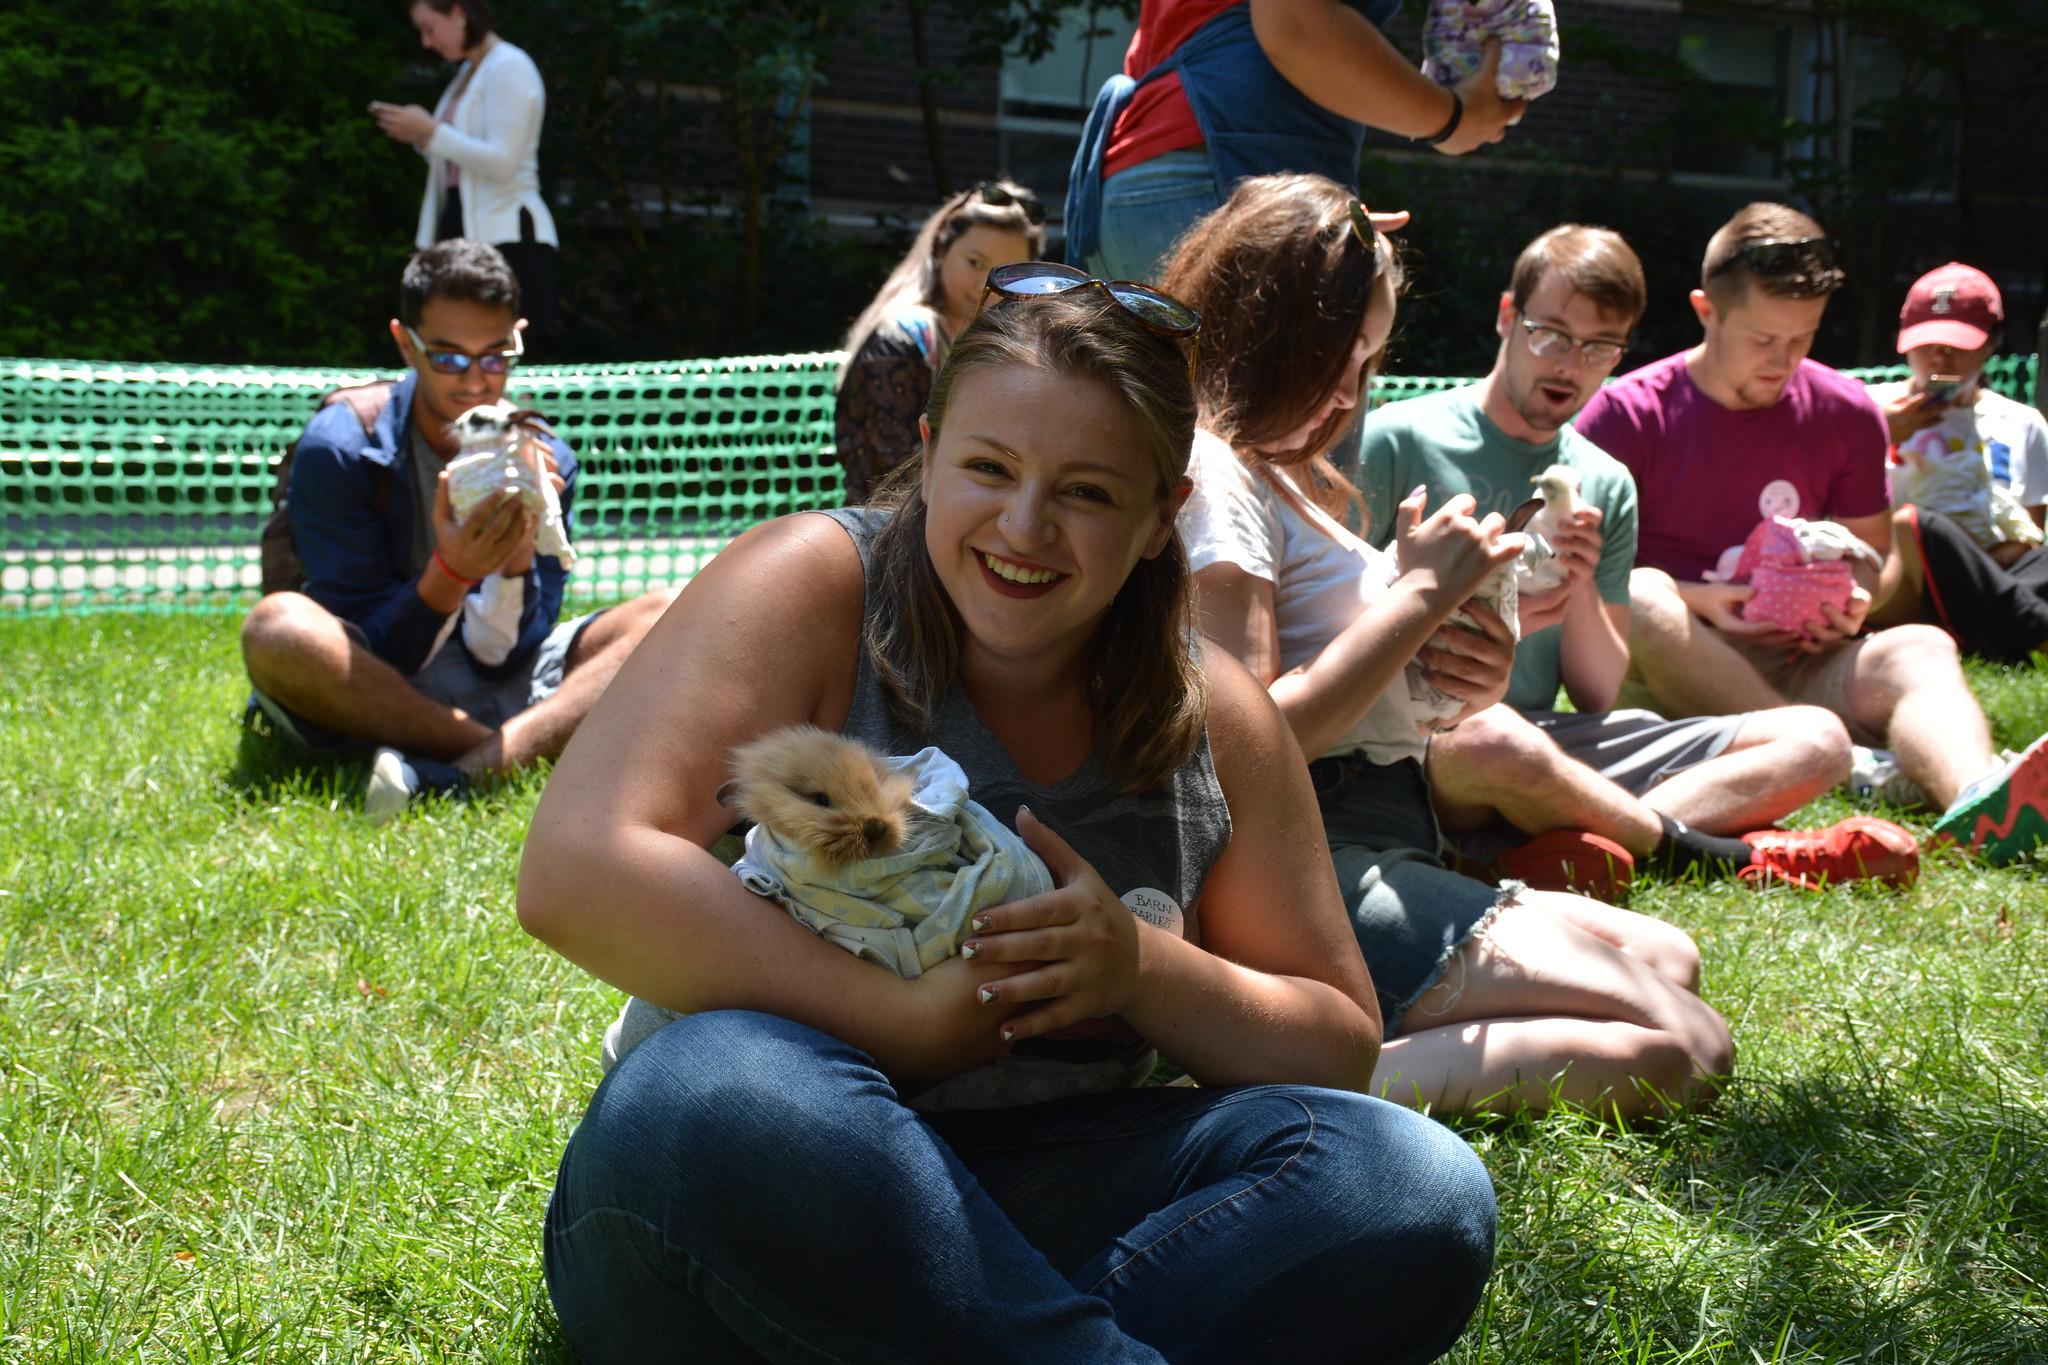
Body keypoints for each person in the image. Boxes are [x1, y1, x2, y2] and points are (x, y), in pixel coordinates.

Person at [519, 271, 1497, 1359]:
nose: (1023, 528)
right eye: (988, 468)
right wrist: (898, 1022)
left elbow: (1334, 1048)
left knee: (1407, 1184)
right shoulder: (811, 584)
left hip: (1042, 1186)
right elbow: (576, 871)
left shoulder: (1215, 714)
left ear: (1158, 513)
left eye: (1084, 492)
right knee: (715, 1088)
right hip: (758, 1180)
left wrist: (1138, 969)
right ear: (929, 454)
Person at [1162, 173, 1734, 1119]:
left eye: (1369, 361)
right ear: (1258, 330)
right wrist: (1422, 595)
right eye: (1334, 356)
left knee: (1673, 955)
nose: (1347, 394)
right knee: (1685, 1046)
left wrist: (1464, 669)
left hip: (1386, 831)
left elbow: (1367, 689)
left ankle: (1312, 1027)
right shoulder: (1214, 474)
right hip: (1308, 870)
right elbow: (1245, 747)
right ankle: (1275, 1072)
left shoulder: (1279, 469)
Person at [1359, 223, 1918, 892]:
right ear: (1508, 317)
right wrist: (1493, 615)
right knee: (1491, 738)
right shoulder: (1397, 437)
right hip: (1422, 736)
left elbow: (1595, 691)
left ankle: (1560, 843)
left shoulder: (1602, 478)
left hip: (1546, 735)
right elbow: (1328, 624)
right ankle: (1710, 851)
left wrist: (1586, 576)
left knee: (1819, 740)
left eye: (1599, 348)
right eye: (1551, 335)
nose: (1570, 364)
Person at [1576, 203, 2048, 866]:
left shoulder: (1847, 410)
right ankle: (1851, 762)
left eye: (1804, 337)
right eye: (1764, 339)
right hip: (1670, 670)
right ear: (1705, 310)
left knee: (1919, 644)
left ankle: (1980, 803)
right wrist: (1699, 599)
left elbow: (1874, 557)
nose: (1785, 360)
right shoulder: (1627, 414)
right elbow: (1575, 571)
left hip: (1799, 659)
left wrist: (1854, 597)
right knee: (1650, 595)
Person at [239, 241, 670, 822]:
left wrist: (516, 564)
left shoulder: (547, 457)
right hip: (378, 687)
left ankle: (454, 775)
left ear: (517, 337)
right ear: (404, 343)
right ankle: (506, 749)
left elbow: (516, 652)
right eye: (447, 358)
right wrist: (451, 573)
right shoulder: (341, 444)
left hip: (498, 676)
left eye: (495, 357)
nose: (474, 383)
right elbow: (363, 647)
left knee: (671, 614)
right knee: (277, 628)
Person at [1064, 0, 1525, 284]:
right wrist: (1451, 118)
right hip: (1226, 178)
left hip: (1137, 180)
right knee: (1304, 440)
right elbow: (1294, 23)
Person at [1865, 263, 2048, 668]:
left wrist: (1973, 562)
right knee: (1919, 526)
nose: (1940, 357)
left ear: (1991, 343)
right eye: (1926, 343)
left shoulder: (2023, 424)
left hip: (1995, 574)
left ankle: (1985, 627)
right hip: (1900, 578)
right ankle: (2025, 630)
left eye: (1957, 344)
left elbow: (2028, 538)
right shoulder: (1866, 410)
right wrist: (1878, 435)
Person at [833, 181, 1044, 503]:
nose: (984, 284)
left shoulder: (1008, 341)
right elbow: (891, 474)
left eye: (1007, 273)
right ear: (940, 250)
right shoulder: (900, 339)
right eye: (975, 262)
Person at [371, 0, 559, 336]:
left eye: (430, 29)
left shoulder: (509, 66)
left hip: (509, 235)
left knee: (508, 360)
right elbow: (460, 163)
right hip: (465, 230)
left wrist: (430, 131)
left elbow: (503, 163)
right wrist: (421, 136)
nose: (426, 43)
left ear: (458, 13)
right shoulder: (470, 71)